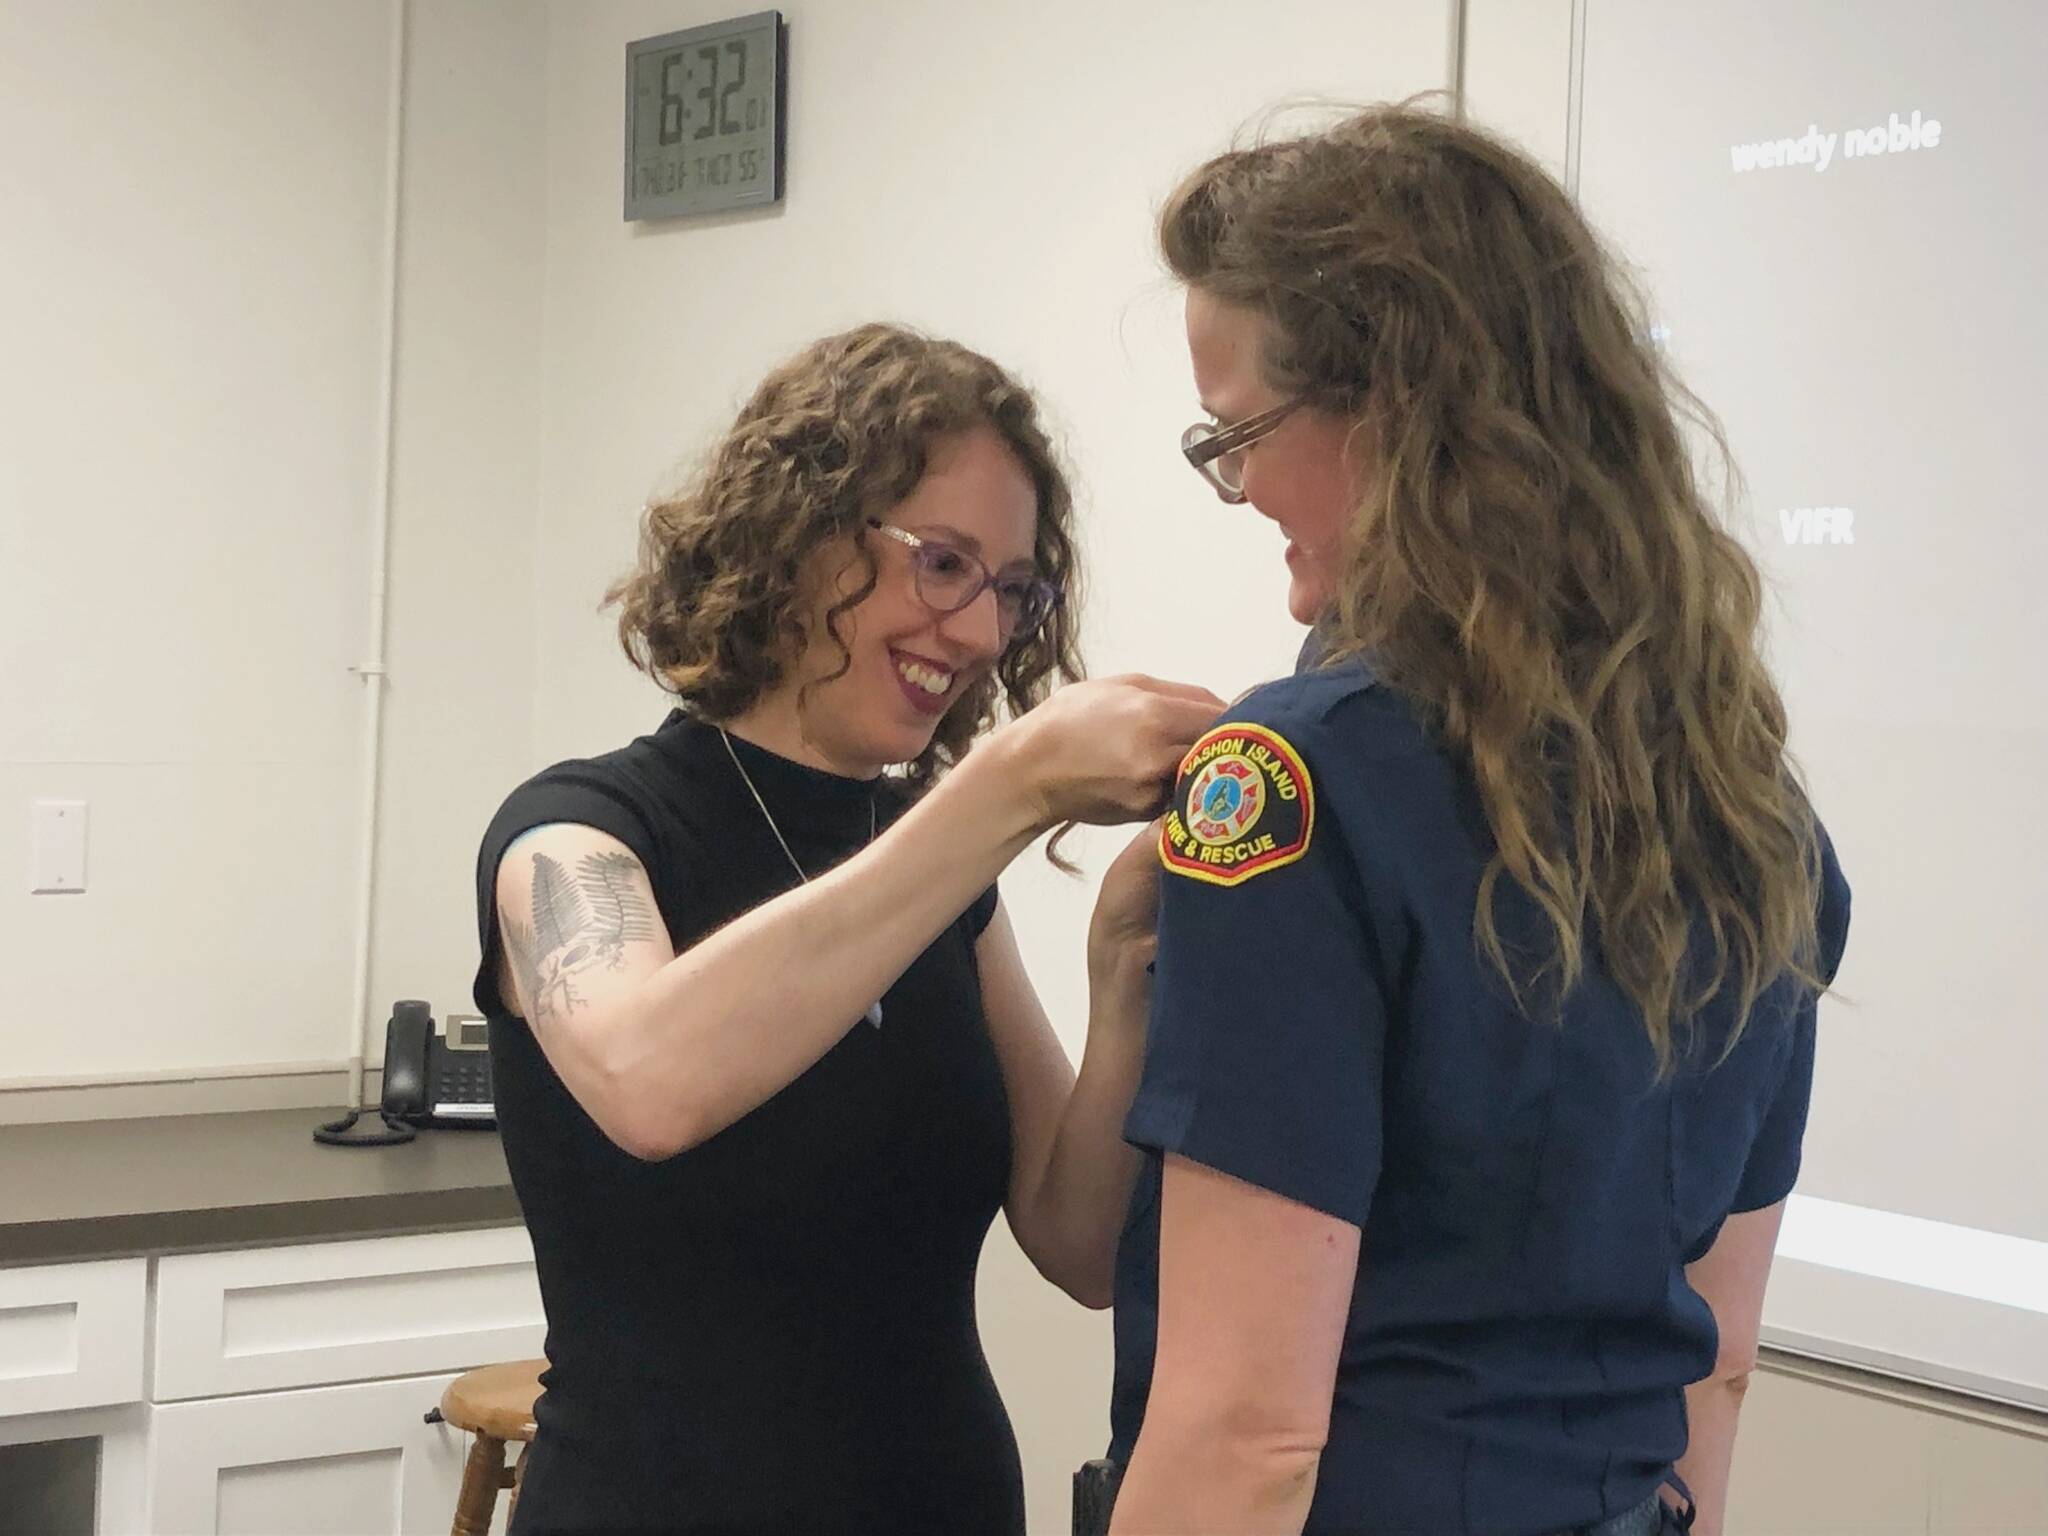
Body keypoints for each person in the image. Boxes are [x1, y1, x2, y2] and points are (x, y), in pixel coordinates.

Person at [1098, 104, 1852, 1536]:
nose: (1240, 485)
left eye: (1242, 434)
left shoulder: (1287, 784)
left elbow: (1248, 1434)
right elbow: (1722, 1365)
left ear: (1394, 408)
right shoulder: (1757, 818)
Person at [469, 323, 1220, 1535]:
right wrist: (1006, 790)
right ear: (800, 538)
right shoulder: (576, 835)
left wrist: (1120, 975)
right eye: (940, 564)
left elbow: (1078, 1244)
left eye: (1012, 591)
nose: (979, 634)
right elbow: (650, 1083)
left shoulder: (940, 877)